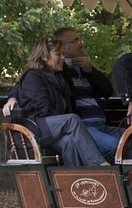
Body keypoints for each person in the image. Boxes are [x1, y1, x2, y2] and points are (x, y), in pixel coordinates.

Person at [4, 36, 109, 167]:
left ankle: (74, 180)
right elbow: (44, 110)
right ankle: (98, 163)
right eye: (58, 54)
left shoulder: (59, 76)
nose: (63, 58)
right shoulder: (33, 76)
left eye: (63, 54)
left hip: (49, 128)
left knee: (69, 142)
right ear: (43, 56)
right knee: (72, 120)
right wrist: (12, 97)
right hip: (34, 128)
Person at [52, 26, 123, 158]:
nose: (82, 44)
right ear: (64, 48)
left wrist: (90, 71)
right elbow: (30, 79)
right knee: (113, 146)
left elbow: (107, 91)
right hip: (82, 128)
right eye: (76, 41)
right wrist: (12, 97)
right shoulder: (58, 70)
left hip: (103, 125)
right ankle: (97, 176)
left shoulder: (85, 68)